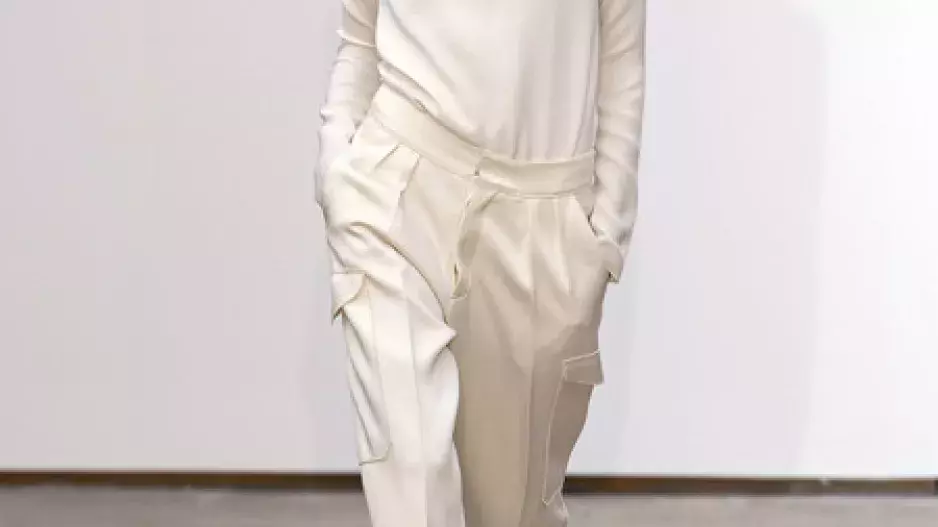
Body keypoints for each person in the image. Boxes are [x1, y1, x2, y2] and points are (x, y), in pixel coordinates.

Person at [316, 0, 645, 525]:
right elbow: (360, 37)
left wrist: (606, 236)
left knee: (513, 510)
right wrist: (335, 166)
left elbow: (622, 59)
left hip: (542, 218)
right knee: (413, 476)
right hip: (394, 193)